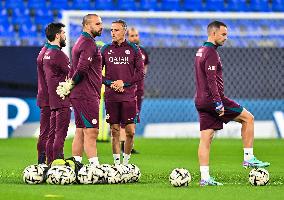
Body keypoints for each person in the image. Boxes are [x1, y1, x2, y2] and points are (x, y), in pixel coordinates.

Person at [194, 21, 270, 186]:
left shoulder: (200, 51)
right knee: (248, 118)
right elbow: (212, 80)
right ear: (213, 34)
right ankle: (249, 158)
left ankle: (205, 177)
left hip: (200, 100)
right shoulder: (211, 53)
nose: (226, 38)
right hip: (213, 99)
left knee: (206, 138)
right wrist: (218, 103)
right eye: (223, 34)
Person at [56, 14, 103, 166]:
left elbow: (77, 68)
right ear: (87, 25)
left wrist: (70, 85)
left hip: (81, 93)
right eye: (97, 23)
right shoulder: (88, 43)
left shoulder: (81, 41)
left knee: (81, 130)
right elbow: (82, 69)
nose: (101, 26)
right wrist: (70, 84)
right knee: (91, 131)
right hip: (86, 94)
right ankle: (94, 168)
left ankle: (75, 165)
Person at [101, 20, 144, 165]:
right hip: (111, 96)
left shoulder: (134, 49)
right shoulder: (105, 49)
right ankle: (117, 164)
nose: (113, 33)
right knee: (114, 130)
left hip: (129, 95)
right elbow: (96, 73)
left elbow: (140, 74)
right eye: (111, 30)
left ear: (124, 31)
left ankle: (126, 163)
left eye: (116, 30)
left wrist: (123, 83)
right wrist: (110, 83)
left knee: (130, 131)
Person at [43, 22, 71, 165]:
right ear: (58, 35)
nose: (65, 36)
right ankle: (58, 163)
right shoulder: (59, 55)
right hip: (62, 100)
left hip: (53, 100)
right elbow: (73, 75)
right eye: (64, 33)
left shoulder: (47, 53)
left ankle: (49, 164)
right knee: (60, 134)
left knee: (52, 134)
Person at [119, 27, 150, 154]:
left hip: (139, 90)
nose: (134, 38)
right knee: (123, 118)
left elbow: (145, 67)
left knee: (134, 117)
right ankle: (121, 145)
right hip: (126, 90)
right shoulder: (122, 51)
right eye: (132, 35)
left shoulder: (143, 52)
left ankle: (129, 145)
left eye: (136, 35)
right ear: (127, 36)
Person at [36, 41, 51, 164]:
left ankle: (43, 161)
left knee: (46, 131)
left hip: (46, 97)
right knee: (47, 132)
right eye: (62, 33)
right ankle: (43, 161)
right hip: (49, 99)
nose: (65, 36)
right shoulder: (49, 53)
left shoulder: (43, 52)